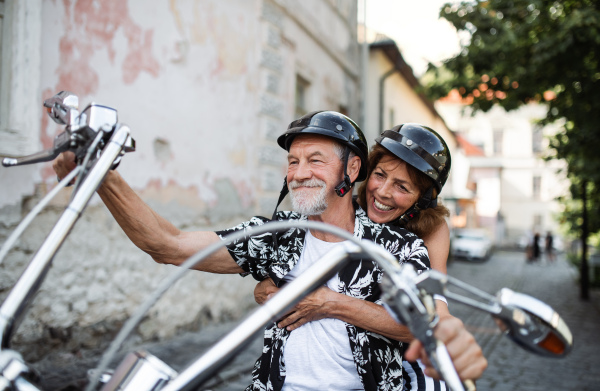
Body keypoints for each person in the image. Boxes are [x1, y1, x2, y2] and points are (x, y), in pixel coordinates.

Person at [53, 111, 486, 390]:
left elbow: (428, 322)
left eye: (315, 160)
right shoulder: (276, 234)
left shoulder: (401, 244)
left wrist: (327, 303)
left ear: (350, 168)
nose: (299, 173)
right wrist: (102, 176)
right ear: (367, 173)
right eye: (292, 162)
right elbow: (168, 245)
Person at [254, 123, 485, 390]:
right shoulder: (347, 209)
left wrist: (448, 330)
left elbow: (435, 302)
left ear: (422, 200)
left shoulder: (432, 229)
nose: (383, 192)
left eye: (402, 186)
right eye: (380, 174)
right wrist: (272, 288)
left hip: (406, 356)